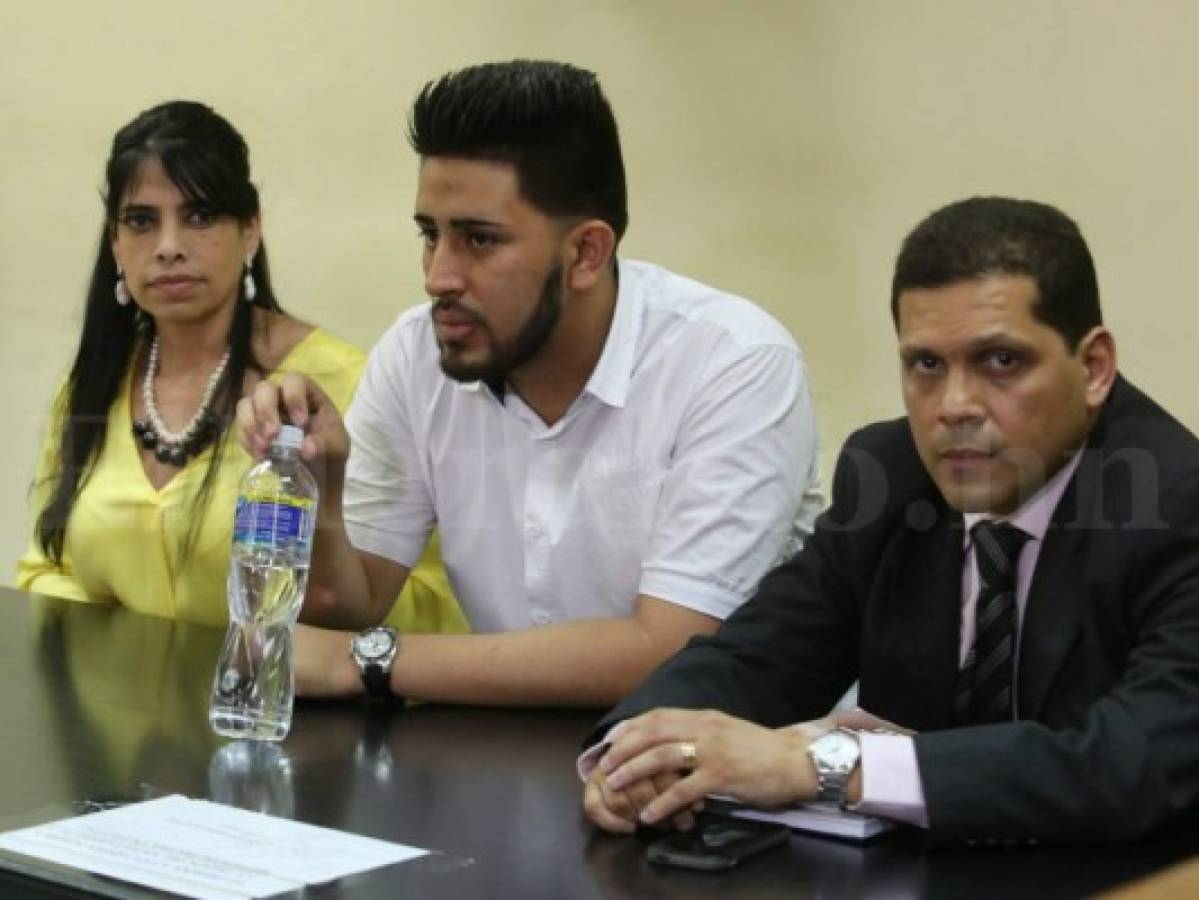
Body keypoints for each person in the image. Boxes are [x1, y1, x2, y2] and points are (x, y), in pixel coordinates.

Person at [582, 196, 1199, 843]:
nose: (954, 406)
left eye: (1002, 362)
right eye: (926, 365)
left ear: (1093, 367)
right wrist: (640, 749)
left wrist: (826, 766)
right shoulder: (890, 472)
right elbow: (760, 654)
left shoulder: (1176, 502)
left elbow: (1128, 765)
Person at [238, 60, 822, 707]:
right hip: (505, 756)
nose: (438, 276)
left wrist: (370, 663)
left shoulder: (733, 362)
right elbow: (347, 607)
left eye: (479, 240)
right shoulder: (415, 352)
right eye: (430, 235)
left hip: (730, 771)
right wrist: (320, 488)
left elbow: (671, 654)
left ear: (585, 253)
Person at [16, 100, 461, 634]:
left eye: (199, 216)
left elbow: (423, 604)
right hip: (108, 711)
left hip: (282, 709)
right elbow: (47, 568)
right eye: (141, 221)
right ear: (115, 244)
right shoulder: (93, 384)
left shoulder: (340, 386)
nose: (168, 248)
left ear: (250, 230)